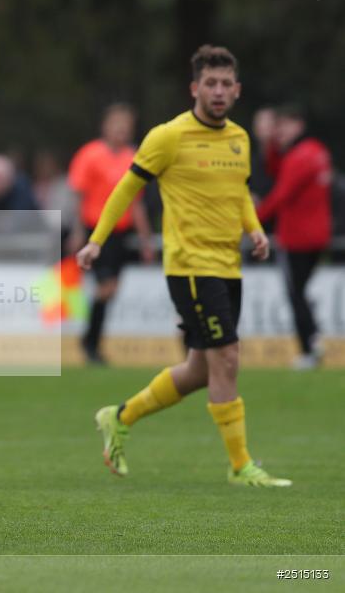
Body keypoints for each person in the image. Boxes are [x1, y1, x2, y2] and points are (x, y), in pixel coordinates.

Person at [77, 45, 291, 487]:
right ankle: (240, 466)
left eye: (225, 84)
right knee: (228, 357)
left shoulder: (240, 138)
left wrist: (255, 229)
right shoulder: (168, 136)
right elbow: (124, 190)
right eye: (209, 83)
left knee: (200, 369)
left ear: (236, 90)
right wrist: (97, 241)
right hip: (190, 268)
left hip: (228, 265)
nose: (217, 91)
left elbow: (238, 194)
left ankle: (118, 417)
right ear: (195, 88)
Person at [69, 103, 153, 364]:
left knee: (111, 288)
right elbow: (78, 197)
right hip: (95, 231)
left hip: (120, 234)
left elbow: (136, 202)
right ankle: (90, 342)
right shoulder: (90, 154)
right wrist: (77, 231)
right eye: (116, 126)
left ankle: (91, 341)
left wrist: (145, 238)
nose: (120, 132)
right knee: (107, 286)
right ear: (105, 127)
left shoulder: (134, 157)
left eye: (125, 127)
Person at [256, 104, 332, 369]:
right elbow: (277, 169)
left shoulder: (299, 157)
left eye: (283, 126)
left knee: (295, 293)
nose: (280, 132)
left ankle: (309, 346)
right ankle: (313, 337)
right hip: (319, 235)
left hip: (296, 237)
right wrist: (270, 146)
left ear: (297, 124)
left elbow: (280, 193)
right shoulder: (317, 152)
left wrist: (253, 219)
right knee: (300, 290)